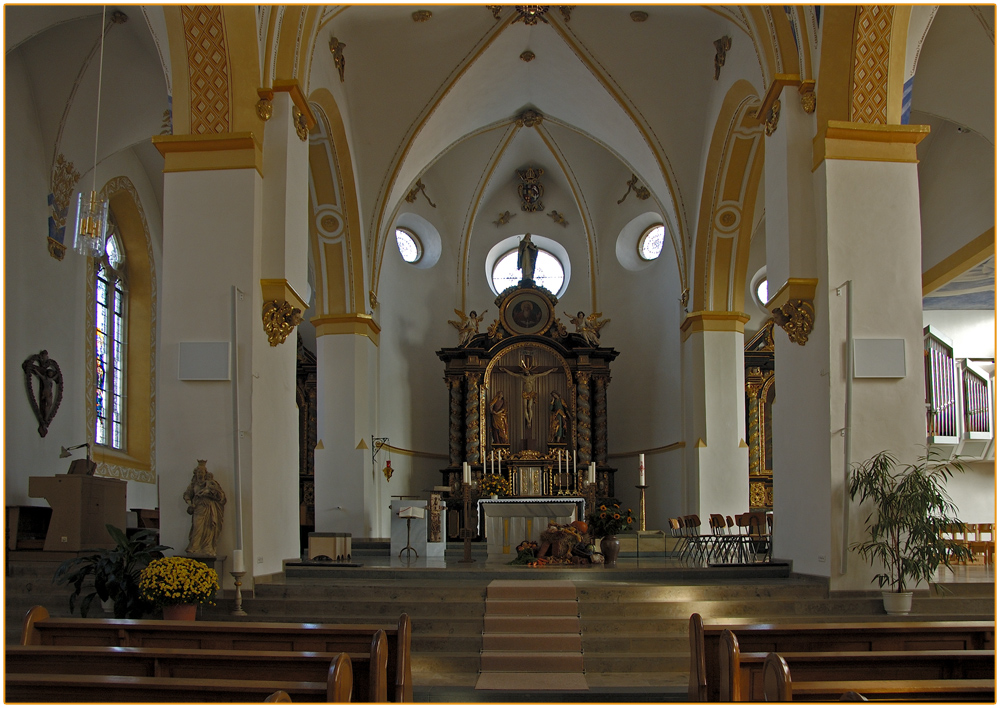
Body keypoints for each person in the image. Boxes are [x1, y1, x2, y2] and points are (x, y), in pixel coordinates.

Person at [499, 354, 558, 433]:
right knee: (525, 408)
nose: (526, 372)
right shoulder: (522, 377)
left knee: (529, 407)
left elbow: (543, 374)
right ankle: (528, 421)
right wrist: (505, 370)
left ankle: (529, 420)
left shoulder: (533, 377)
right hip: (525, 393)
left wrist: (551, 370)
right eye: (525, 371)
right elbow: (513, 374)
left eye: (527, 371)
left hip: (531, 393)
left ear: (529, 371)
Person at [183, 460, 227, 556]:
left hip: (209, 509)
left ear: (205, 473)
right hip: (198, 508)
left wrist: (209, 492)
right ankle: (194, 547)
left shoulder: (211, 484)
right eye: (198, 472)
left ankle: (207, 548)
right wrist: (190, 503)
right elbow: (187, 495)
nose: (200, 474)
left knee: (209, 528)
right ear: (196, 473)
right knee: (197, 527)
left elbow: (221, 496)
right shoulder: (193, 485)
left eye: (202, 472)